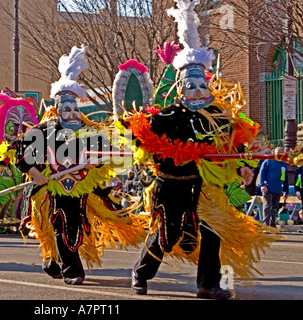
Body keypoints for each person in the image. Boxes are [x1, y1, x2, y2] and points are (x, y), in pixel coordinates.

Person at [126, 0, 278, 300]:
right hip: (172, 186)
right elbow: (142, 141)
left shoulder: (220, 117)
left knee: (211, 232)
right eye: (189, 86)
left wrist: (244, 167)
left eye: (200, 85)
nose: (196, 92)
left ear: (208, 85)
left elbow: (236, 147)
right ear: (180, 88)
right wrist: (151, 148)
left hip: (206, 187)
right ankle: (141, 272)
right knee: (165, 237)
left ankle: (208, 284)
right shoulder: (167, 117)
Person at [15, 45, 146, 285]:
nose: (73, 112)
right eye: (67, 108)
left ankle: (61, 264)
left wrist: (115, 151)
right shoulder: (42, 131)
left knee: (74, 227)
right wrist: (36, 174)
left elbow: (115, 157)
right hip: (51, 190)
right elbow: (21, 156)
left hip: (82, 188)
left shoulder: (90, 131)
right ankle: (67, 269)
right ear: (57, 109)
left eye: (75, 108)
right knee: (58, 226)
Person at [259, 147, 289, 227]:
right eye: (278, 151)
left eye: (282, 152)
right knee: (267, 206)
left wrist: (286, 191)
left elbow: (286, 179)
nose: (280, 153)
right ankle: (266, 225)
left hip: (278, 189)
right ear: (274, 152)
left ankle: (272, 225)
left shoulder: (283, 164)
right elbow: (262, 174)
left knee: (275, 207)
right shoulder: (268, 161)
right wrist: (262, 185)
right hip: (267, 188)